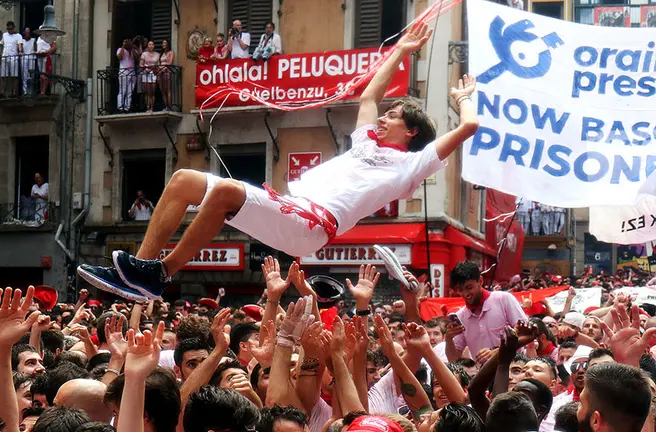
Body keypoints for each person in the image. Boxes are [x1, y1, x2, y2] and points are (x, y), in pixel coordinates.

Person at [78, 22, 480, 301]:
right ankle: (145, 272)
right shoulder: (365, 144)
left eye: (395, 116)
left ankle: (158, 274)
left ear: (410, 132)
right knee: (185, 178)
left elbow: (470, 127)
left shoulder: (412, 166)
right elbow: (370, 95)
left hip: (313, 223)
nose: (384, 116)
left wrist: (463, 102)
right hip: (295, 211)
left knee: (226, 191)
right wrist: (402, 50)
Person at [445, 261, 528, 362]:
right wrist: (449, 339)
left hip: (514, 371)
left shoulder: (504, 299)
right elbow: (454, 360)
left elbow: (526, 334)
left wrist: (498, 351)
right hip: (482, 375)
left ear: (480, 281)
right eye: (460, 290)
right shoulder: (460, 317)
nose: (466, 294)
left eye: (469, 287)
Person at [0, 21, 24, 97]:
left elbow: (19, 44)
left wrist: (20, 51)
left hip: (13, 57)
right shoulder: (4, 35)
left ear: (14, 28)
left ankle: (14, 92)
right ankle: (3, 92)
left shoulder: (18, 36)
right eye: (8, 29)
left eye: (11, 29)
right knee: (3, 76)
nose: (9, 30)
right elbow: (1, 44)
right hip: (5, 56)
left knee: (14, 76)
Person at [140, 40, 160, 112]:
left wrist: (156, 70)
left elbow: (159, 65)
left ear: (154, 46)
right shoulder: (144, 54)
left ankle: (152, 107)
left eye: (152, 44)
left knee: (152, 92)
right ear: (147, 46)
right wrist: (146, 69)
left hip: (153, 73)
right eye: (149, 44)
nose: (151, 46)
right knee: (147, 92)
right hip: (146, 73)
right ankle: (148, 107)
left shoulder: (157, 54)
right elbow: (141, 64)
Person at [117, 39, 136, 112]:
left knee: (129, 92)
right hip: (123, 73)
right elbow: (120, 57)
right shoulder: (120, 49)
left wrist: (132, 48)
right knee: (122, 90)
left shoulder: (133, 51)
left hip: (132, 73)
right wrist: (123, 46)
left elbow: (137, 58)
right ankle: (120, 107)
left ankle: (127, 107)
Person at [158, 40, 175, 111]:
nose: (163, 44)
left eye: (165, 43)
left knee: (168, 89)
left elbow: (170, 63)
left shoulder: (171, 52)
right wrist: (160, 69)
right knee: (163, 90)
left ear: (168, 44)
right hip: (161, 73)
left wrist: (163, 68)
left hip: (167, 72)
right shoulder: (161, 53)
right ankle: (166, 106)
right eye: (163, 43)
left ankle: (170, 106)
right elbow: (159, 63)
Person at [21, 28, 37, 94]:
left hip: (31, 58)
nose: (27, 34)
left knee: (31, 74)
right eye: (26, 32)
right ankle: (25, 90)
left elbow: (36, 49)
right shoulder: (21, 41)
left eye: (29, 32)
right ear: (24, 33)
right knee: (24, 75)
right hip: (24, 59)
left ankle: (31, 90)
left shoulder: (33, 40)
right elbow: (20, 50)